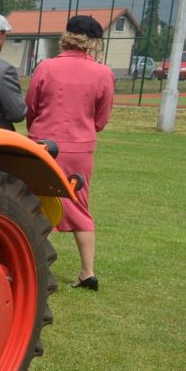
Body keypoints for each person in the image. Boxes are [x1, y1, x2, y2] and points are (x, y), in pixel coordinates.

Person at [25, 15, 114, 292]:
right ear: (94, 42)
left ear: (67, 36)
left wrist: (37, 129)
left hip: (43, 145)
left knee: (34, 204)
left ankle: (29, 268)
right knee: (79, 208)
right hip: (79, 148)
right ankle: (87, 273)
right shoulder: (103, 73)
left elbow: (31, 105)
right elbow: (101, 118)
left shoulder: (46, 67)